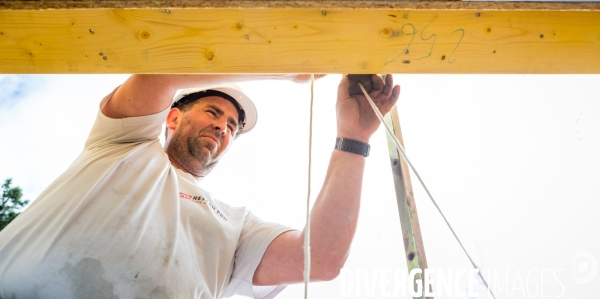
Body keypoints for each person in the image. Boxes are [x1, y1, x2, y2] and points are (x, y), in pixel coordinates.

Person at [0, 74, 400, 298]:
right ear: (172, 118)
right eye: (213, 111)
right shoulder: (123, 144)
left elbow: (322, 259)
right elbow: (158, 70)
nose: (222, 127)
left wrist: (354, 136)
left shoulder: (234, 224)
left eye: (231, 126)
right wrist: (283, 63)